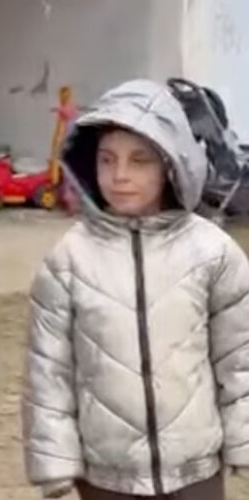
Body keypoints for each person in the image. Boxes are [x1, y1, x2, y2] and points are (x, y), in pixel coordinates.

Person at [23, 79, 249, 500]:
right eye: (107, 160)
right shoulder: (68, 259)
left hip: (195, 473)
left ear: (170, 164)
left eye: (139, 160)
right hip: (107, 477)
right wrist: (54, 462)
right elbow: (49, 372)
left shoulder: (213, 252)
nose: (120, 176)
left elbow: (240, 357)